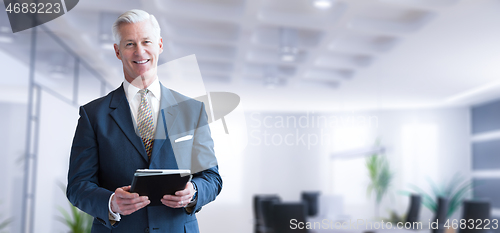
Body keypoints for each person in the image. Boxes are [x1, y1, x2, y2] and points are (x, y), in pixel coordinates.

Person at [66, 9, 222, 233]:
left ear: (159, 44)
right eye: (129, 44)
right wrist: (111, 202)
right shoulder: (93, 115)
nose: (140, 51)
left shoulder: (192, 111)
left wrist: (194, 192)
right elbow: (78, 186)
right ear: (117, 51)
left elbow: (212, 177)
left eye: (146, 41)